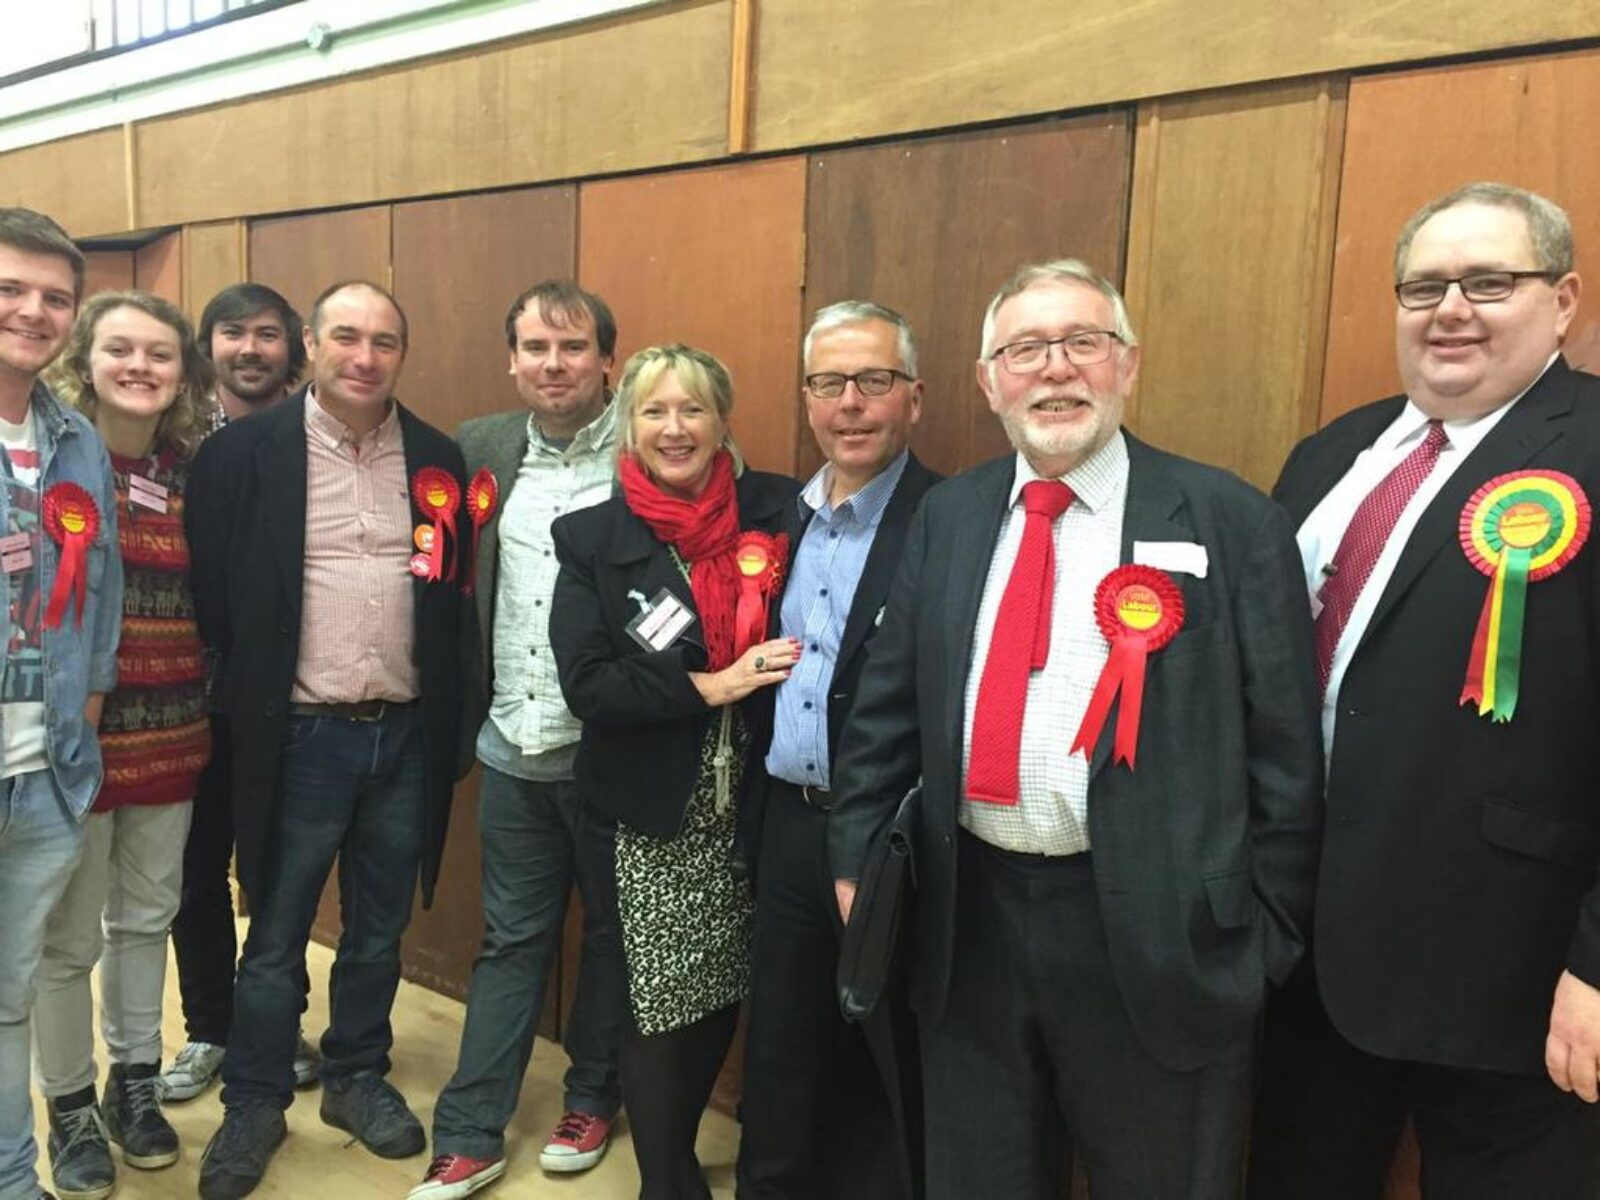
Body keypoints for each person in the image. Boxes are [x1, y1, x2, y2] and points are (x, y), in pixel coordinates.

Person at [827, 259, 1323, 1199]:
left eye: (1082, 342)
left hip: (1163, 938)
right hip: (967, 923)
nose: (1054, 369)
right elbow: (884, 712)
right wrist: (855, 861)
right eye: (1025, 350)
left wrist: (1263, 940)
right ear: (989, 382)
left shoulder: (1230, 522)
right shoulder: (949, 515)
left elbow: (1285, 757)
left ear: (1127, 364)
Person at [1250, 182, 1600, 1198]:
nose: (1449, 309)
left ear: (1563, 300)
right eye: (1423, 287)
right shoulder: (1331, 454)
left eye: (1488, 282)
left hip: (1512, 976)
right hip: (1307, 961)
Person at [186, 280, 467, 1200]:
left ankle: (355, 1076)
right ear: (311, 343)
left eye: (384, 341)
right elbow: (215, 598)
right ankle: (254, 1100)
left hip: (404, 736)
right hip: (299, 737)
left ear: (402, 354)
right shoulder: (242, 455)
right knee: (274, 936)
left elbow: (451, 593)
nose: (364, 357)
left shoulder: (437, 457)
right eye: (346, 336)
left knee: (380, 931)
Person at [550, 344, 799, 1200]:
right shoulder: (593, 537)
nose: (674, 428)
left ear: (723, 420)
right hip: (651, 816)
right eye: (654, 410)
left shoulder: (780, 512)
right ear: (629, 424)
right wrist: (712, 685)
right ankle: (666, 1178)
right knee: (659, 1001)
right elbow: (587, 683)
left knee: (721, 982)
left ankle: (687, 1152)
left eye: (692, 408)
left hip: (757, 806)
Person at [410, 281, 626, 1200]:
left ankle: (594, 1095)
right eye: (535, 347)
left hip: (617, 755)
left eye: (573, 347)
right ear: (512, 360)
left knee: (616, 937)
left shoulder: (656, 441)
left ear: (608, 359)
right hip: (511, 747)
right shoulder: (482, 447)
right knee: (511, 942)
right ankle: (469, 1132)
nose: (553, 364)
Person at [737, 301, 938, 1200]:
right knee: (780, 1042)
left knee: (885, 1045)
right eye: (828, 383)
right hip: (786, 821)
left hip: (893, 836)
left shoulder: (950, 518)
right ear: (807, 399)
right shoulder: (777, 519)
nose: (849, 403)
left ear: (914, 398)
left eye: (873, 381)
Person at [29, 292, 211, 1198]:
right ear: (85, 360)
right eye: (121, 350)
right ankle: (68, 1106)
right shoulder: (52, 463)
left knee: (145, 921)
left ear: (182, 373)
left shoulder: (194, 474)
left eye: (160, 354)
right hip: (74, 745)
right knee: (69, 943)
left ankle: (132, 1083)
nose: (141, 367)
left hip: (172, 736)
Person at [162, 282, 316, 1104]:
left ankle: (275, 1026)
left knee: (276, 873)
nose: (250, 349)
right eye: (232, 333)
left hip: (284, 702)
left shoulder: (317, 438)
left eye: (266, 334)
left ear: (293, 346)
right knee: (194, 874)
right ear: (208, 345)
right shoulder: (175, 441)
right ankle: (210, 1029)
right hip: (185, 700)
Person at [0, 208, 123, 1200]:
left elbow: (103, 589)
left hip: (44, 775)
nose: (33, 312)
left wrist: (82, 717)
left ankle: (15, 1179)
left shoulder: (77, 439)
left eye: (54, 297)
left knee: (8, 997)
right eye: (11, 289)